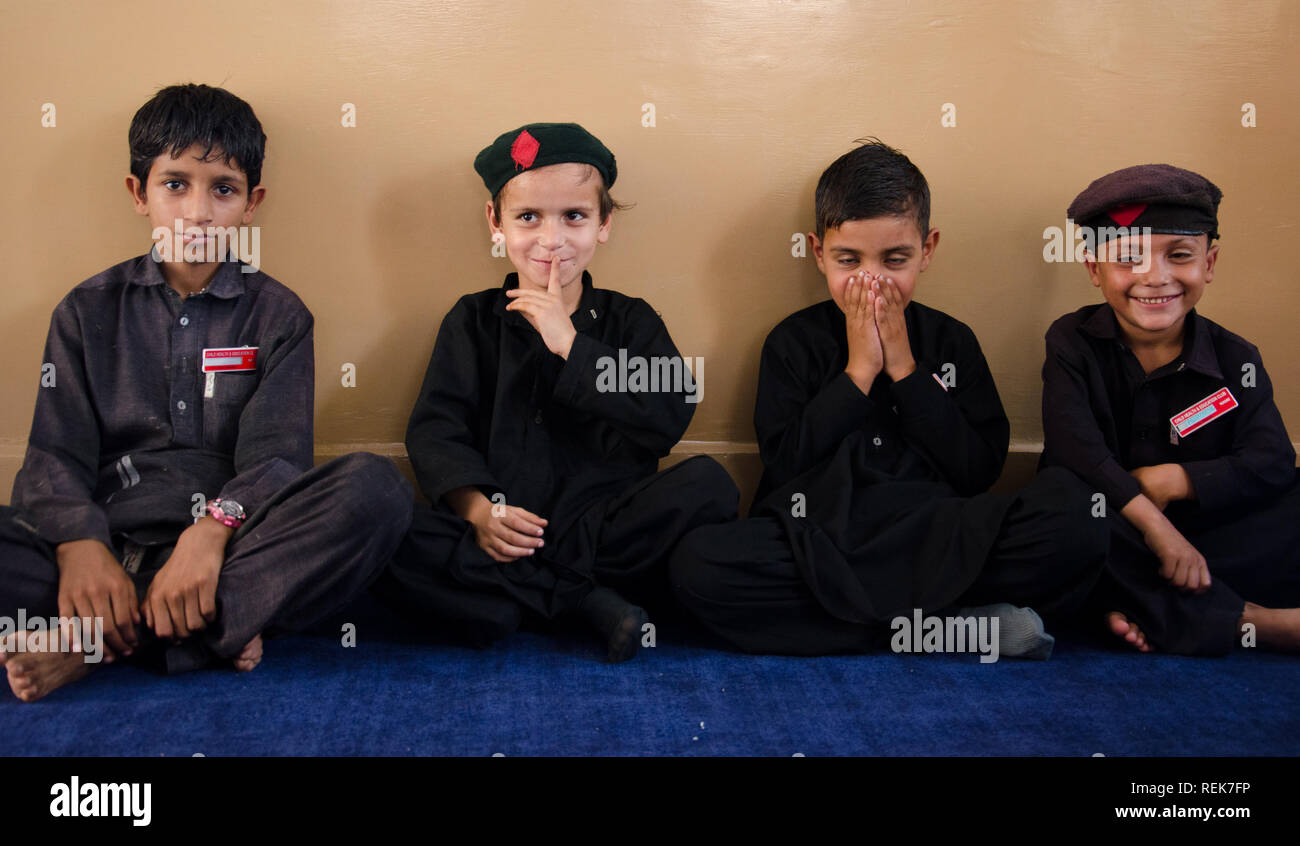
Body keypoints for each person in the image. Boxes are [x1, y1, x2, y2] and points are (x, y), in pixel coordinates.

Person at [0, 83, 413, 702]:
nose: (198, 211)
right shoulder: (86, 310)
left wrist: (213, 530)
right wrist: (80, 546)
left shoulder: (279, 316)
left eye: (223, 188)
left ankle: (96, 643)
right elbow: (55, 455)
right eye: (175, 184)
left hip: (232, 549)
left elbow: (277, 461)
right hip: (106, 549)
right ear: (138, 193)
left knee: (375, 490)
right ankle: (208, 630)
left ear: (252, 203)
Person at [669, 139, 1105, 657]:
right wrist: (859, 370)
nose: (871, 281)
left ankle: (880, 627)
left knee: (1080, 514)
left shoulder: (951, 340)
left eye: (895, 258)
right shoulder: (792, 341)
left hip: (938, 537)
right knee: (698, 566)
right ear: (817, 252)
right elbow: (785, 465)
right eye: (848, 260)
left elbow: (977, 470)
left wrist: (903, 367)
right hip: (823, 542)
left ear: (928, 249)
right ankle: (944, 632)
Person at [374, 122, 738, 662]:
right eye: (528, 217)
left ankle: (531, 598)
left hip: (603, 530)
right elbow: (436, 432)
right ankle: (582, 601)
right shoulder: (473, 320)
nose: (552, 239)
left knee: (711, 485)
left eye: (574, 216)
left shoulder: (630, 320)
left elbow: (667, 414)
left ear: (604, 223)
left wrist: (571, 344)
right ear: (495, 223)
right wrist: (478, 510)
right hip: (501, 530)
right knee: (383, 514)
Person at [1040, 163, 1300, 655]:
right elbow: (1075, 452)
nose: (1155, 277)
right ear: (1094, 270)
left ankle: (1138, 608)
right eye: (1127, 258)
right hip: (1119, 529)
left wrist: (1172, 482)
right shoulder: (1071, 341)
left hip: (1212, 540)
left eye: (1179, 255)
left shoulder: (1236, 357)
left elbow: (1271, 463)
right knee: (1063, 514)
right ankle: (1256, 622)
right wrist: (1157, 529)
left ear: (1210, 262)